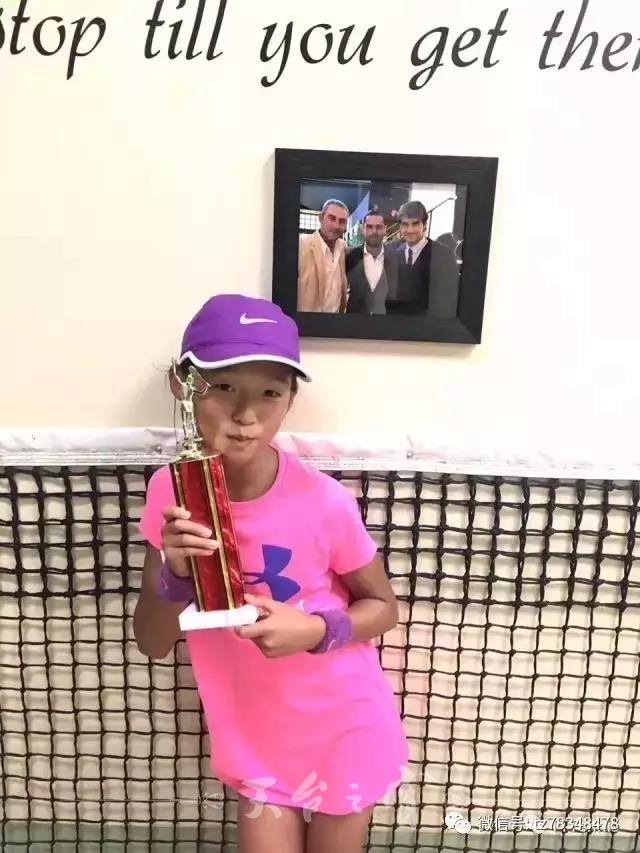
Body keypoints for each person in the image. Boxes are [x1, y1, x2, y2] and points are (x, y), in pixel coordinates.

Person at [133, 293, 409, 853]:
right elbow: (152, 640)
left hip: (345, 726)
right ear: (183, 387)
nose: (246, 415)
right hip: (256, 736)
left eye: (269, 392)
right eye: (223, 386)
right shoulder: (170, 489)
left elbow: (384, 608)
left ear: (290, 400)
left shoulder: (324, 501)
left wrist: (315, 630)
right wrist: (177, 577)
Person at [388, 200, 460, 317]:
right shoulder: (390, 251)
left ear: (425, 225)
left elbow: (449, 298)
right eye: (405, 224)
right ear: (400, 226)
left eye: (415, 224)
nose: (410, 230)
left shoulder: (444, 255)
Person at [297, 199, 349, 313]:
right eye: (331, 218)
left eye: (342, 221)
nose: (336, 226)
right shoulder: (302, 245)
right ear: (321, 218)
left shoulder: (342, 247)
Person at [346, 210, 399, 314]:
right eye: (369, 227)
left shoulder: (396, 258)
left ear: (384, 229)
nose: (374, 231)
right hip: (355, 319)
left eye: (378, 227)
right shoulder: (350, 257)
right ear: (363, 229)